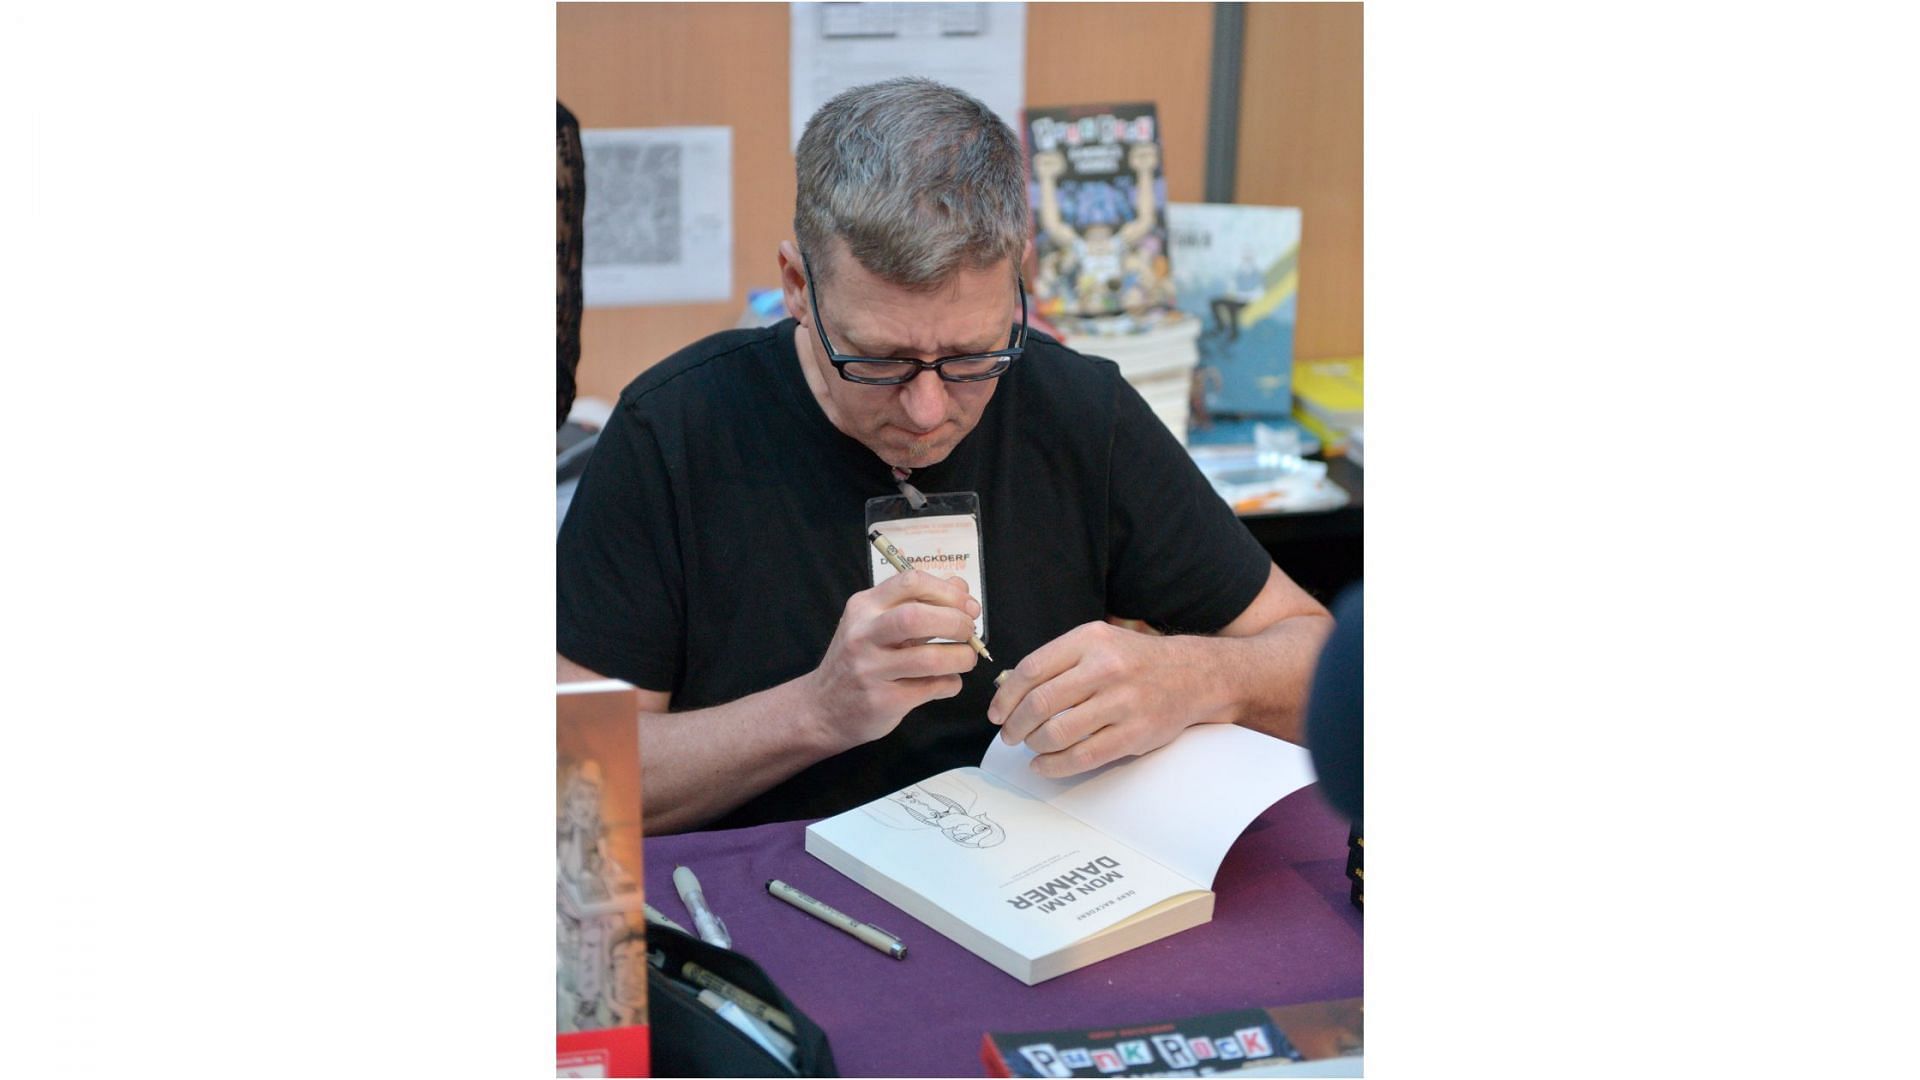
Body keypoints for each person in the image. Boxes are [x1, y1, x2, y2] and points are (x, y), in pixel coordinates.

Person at [557, 77, 1332, 833]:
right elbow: (568, 778)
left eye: (972, 356)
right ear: (797, 286)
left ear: (1020, 283)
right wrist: (816, 712)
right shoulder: (676, 430)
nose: (928, 411)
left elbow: (1323, 661)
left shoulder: (1077, 410)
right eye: (877, 360)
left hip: (1033, 888)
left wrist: (1195, 679)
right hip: (770, 909)